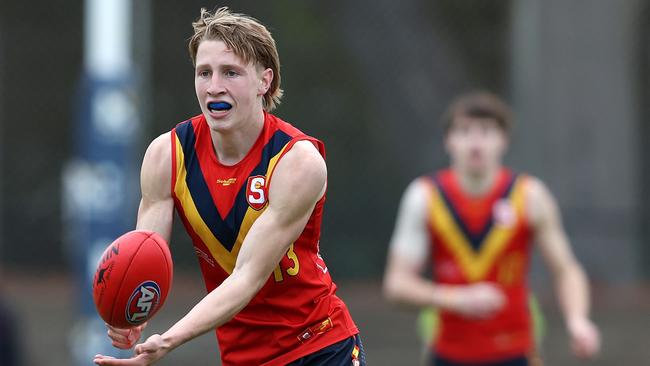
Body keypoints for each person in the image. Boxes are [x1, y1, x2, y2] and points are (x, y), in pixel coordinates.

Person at [94, 7, 364, 366]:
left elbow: (247, 277)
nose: (214, 86)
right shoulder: (167, 155)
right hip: (241, 357)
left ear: (264, 81)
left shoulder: (296, 161)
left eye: (231, 73)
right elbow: (147, 256)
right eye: (204, 72)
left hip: (318, 347)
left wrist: (169, 341)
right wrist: (135, 313)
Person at [383, 91, 600, 366]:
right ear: (448, 141)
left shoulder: (530, 196)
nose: (475, 143)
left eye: (486, 131)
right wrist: (456, 299)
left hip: (518, 354)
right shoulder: (423, 197)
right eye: (464, 131)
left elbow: (566, 269)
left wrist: (578, 320)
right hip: (448, 355)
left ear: (504, 140)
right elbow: (396, 285)